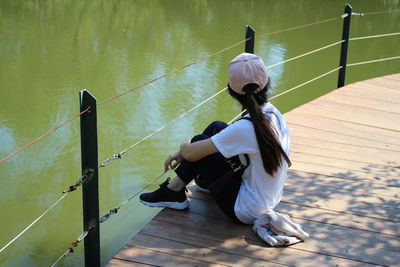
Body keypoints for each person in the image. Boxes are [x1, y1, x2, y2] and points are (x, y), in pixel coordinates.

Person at [140, 52, 290, 225]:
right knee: (216, 127)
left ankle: (173, 191)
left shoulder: (245, 128)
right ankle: (201, 182)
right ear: (266, 83)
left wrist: (182, 148)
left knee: (197, 141)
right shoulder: (273, 114)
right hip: (266, 197)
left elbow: (190, 153)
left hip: (246, 210)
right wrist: (182, 153)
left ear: (232, 90)